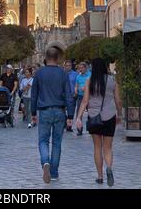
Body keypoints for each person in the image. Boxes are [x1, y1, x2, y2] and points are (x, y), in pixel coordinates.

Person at [76, 58, 122, 187]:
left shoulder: (89, 81)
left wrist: (79, 117)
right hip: (110, 117)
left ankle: (100, 176)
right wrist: (119, 114)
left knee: (97, 147)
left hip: (94, 117)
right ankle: (109, 167)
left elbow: (84, 101)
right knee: (108, 147)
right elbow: (118, 100)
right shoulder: (112, 81)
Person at [31, 47, 75, 184]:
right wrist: (70, 116)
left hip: (44, 111)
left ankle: (45, 163)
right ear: (57, 58)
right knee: (57, 143)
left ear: (46, 57)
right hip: (59, 111)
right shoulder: (63, 74)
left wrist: (33, 113)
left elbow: (34, 95)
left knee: (43, 141)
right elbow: (69, 96)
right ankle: (54, 173)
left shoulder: (39, 73)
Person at [74, 62, 91, 136]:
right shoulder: (78, 76)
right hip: (80, 96)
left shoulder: (90, 75)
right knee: (79, 113)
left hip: (89, 97)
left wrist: (87, 87)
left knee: (91, 113)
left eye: (81, 68)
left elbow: (93, 85)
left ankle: (91, 128)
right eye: (79, 68)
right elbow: (76, 85)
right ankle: (79, 129)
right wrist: (75, 89)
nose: (80, 69)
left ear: (85, 68)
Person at [63, 60, 78, 132]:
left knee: (70, 111)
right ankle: (64, 122)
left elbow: (77, 84)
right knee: (61, 110)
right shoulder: (61, 74)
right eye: (66, 66)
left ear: (71, 66)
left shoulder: (75, 74)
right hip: (62, 96)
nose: (67, 67)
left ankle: (69, 126)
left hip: (71, 96)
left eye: (69, 65)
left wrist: (75, 93)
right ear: (64, 66)